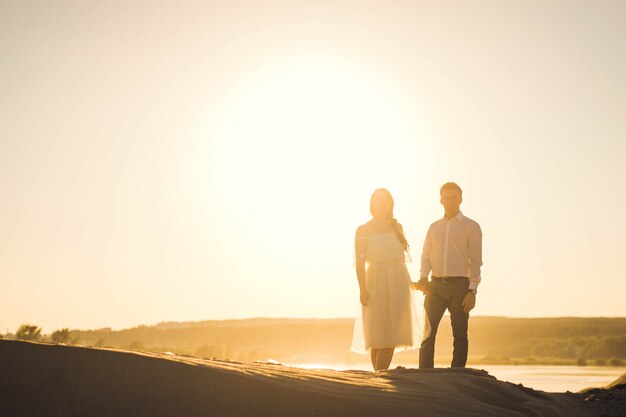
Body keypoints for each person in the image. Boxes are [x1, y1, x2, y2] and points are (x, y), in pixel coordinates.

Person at [351, 188, 423, 371]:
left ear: (390, 204)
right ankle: (380, 378)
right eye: (377, 199)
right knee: (378, 337)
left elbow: (400, 259)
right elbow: (359, 264)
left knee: (391, 335)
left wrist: (411, 284)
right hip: (375, 282)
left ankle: (379, 378)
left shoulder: (397, 227)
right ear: (372, 203)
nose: (381, 203)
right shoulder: (363, 230)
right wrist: (362, 289)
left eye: (385, 200)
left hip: (398, 283)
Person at [415, 182, 482, 368]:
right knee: (427, 333)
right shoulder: (433, 227)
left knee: (460, 334)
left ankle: (457, 376)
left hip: (460, 287)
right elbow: (426, 255)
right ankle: (425, 376)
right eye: (446, 197)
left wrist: (472, 291)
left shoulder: (472, 227)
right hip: (435, 286)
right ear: (441, 200)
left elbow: (476, 261)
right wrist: (423, 276)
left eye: (454, 197)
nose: (450, 201)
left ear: (461, 199)